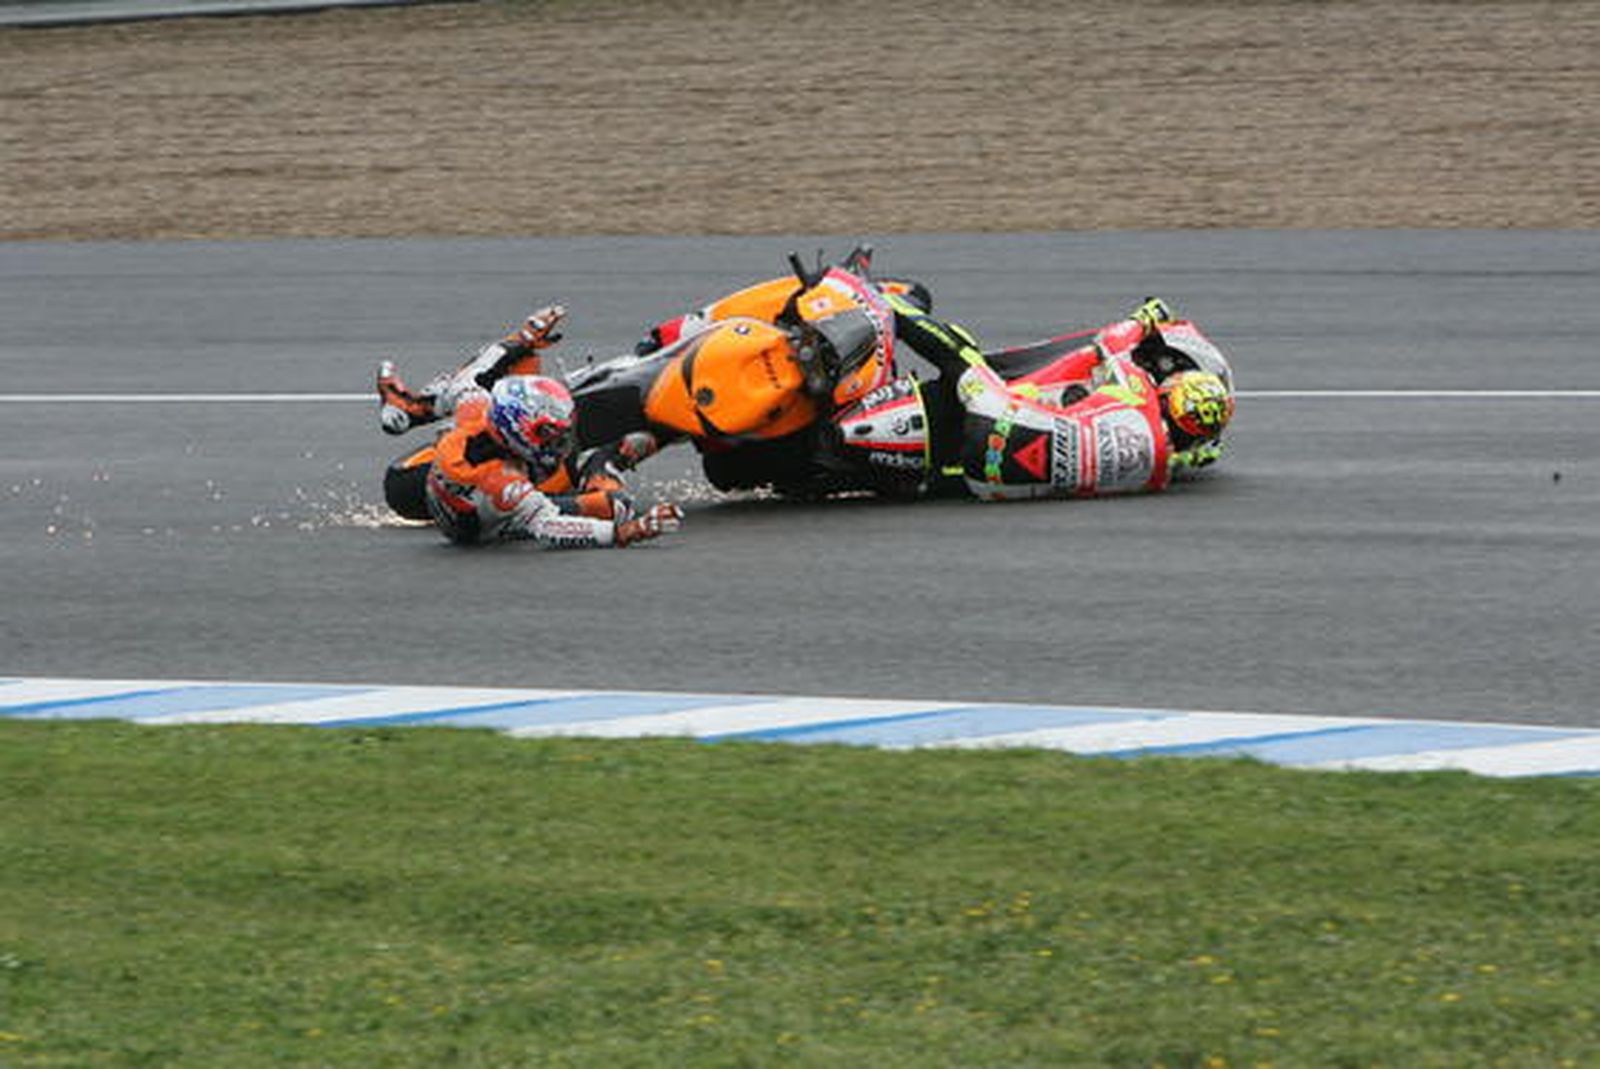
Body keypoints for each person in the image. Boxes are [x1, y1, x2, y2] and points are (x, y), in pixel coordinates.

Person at [876, 294, 1235, 500]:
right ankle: (901, 479)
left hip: (999, 418)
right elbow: (1195, 456)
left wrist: (1144, 319)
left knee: (961, 354)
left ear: (1168, 396)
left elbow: (1111, 342)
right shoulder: (1162, 469)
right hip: (994, 481)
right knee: (929, 484)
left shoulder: (1139, 393)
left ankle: (885, 303)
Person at [378, 306, 682, 548]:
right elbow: (551, 528)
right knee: (615, 505)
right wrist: (628, 532)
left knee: (519, 361)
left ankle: (409, 409)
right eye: (548, 434)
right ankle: (609, 463)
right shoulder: (504, 482)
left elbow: (473, 373)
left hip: (444, 481)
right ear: (516, 429)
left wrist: (523, 338)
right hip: (493, 524)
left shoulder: (476, 409)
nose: (559, 440)